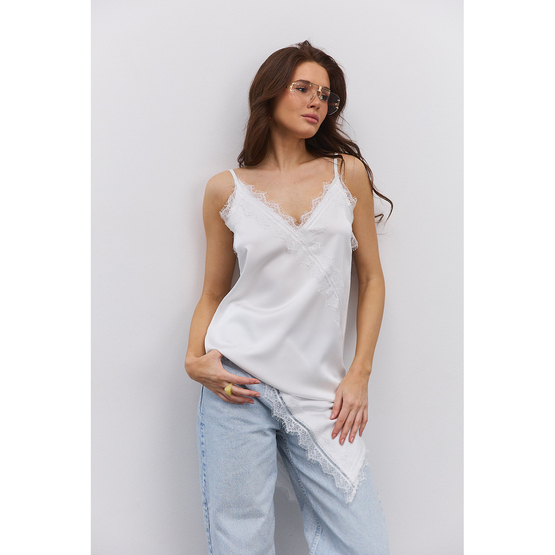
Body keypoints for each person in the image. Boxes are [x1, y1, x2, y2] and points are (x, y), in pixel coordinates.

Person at [185, 40, 393, 555]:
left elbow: (371, 279)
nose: (317, 101)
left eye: (326, 95)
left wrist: (360, 373)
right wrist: (193, 359)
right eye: (303, 88)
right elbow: (213, 291)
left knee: (363, 543)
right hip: (237, 380)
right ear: (270, 92)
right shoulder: (225, 190)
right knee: (241, 539)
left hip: (322, 390)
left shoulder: (346, 174)